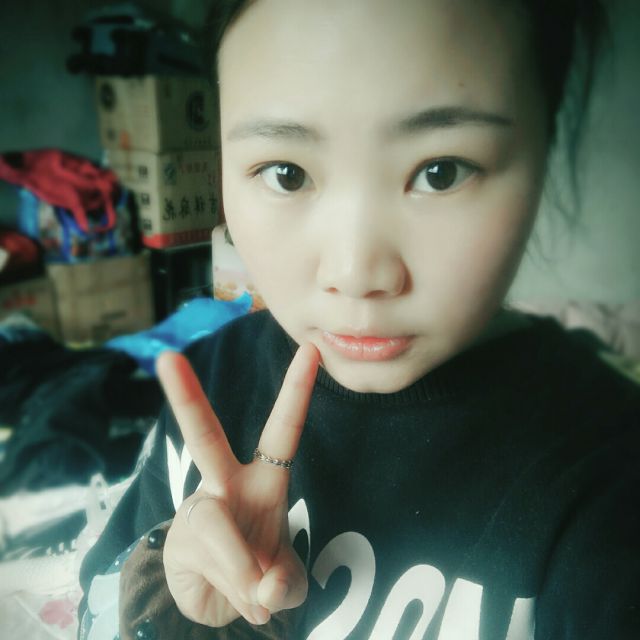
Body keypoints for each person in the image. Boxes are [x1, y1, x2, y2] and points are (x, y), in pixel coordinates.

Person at [78, 0, 640, 638]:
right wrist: (170, 598)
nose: (354, 273)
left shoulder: (608, 483)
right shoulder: (211, 379)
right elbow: (96, 603)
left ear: (543, 152)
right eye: (287, 174)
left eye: (440, 172)